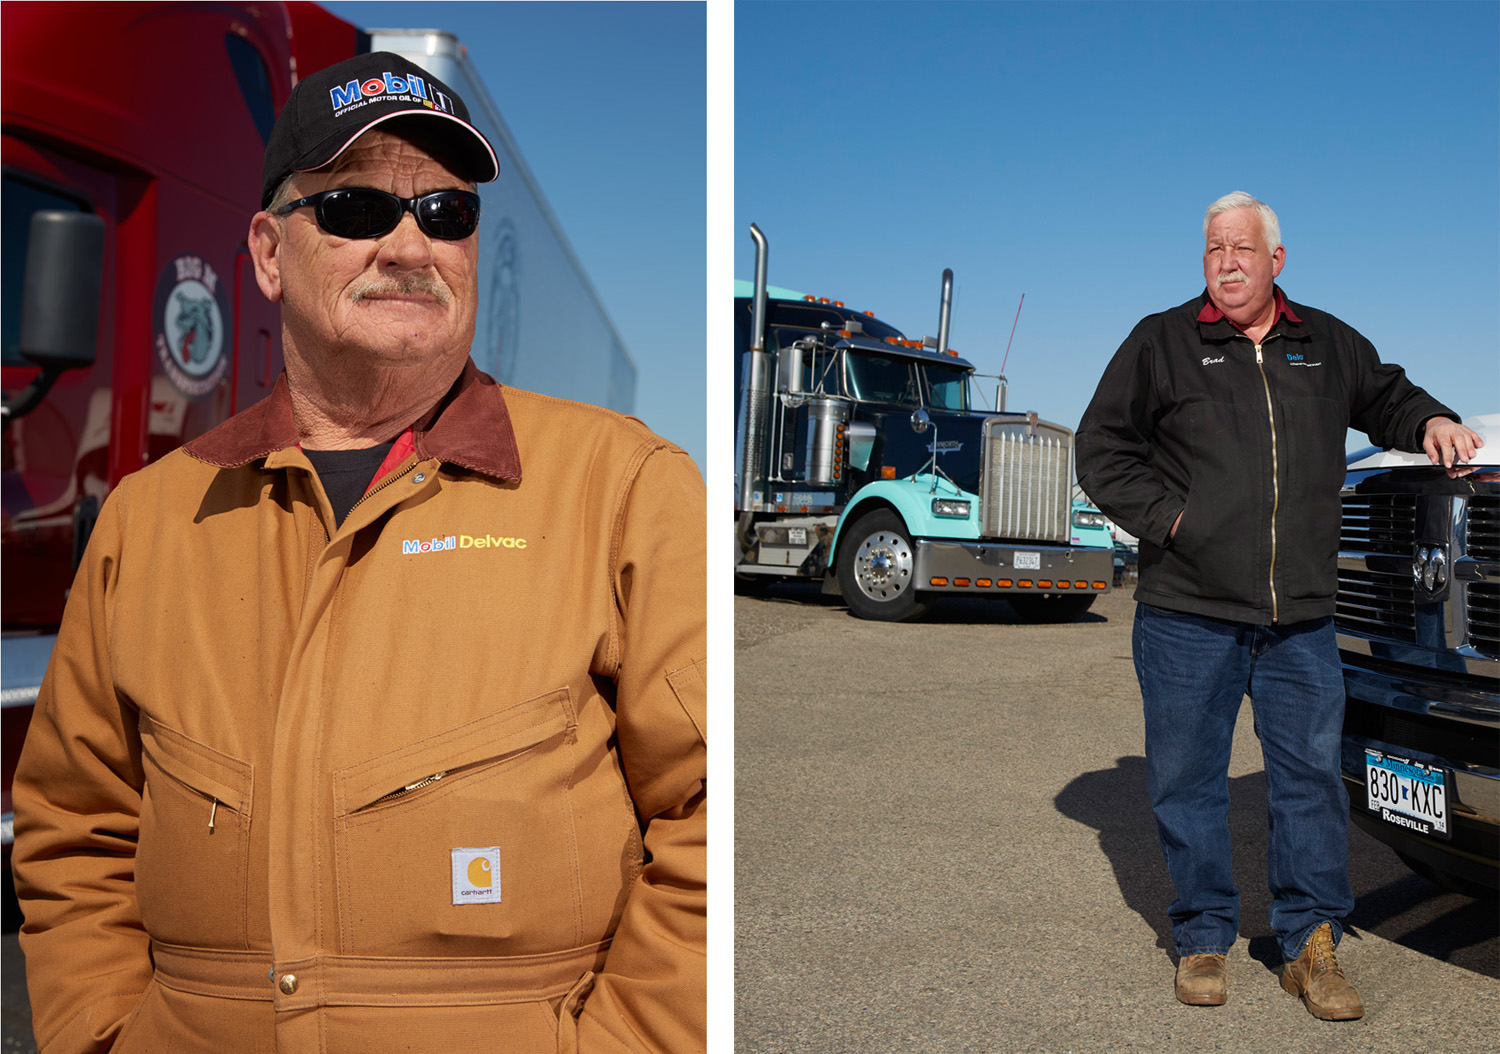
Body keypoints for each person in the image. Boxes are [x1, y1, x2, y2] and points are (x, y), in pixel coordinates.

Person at [12, 52, 706, 1054]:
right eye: (353, 209)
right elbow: (73, 827)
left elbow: (708, 820)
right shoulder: (147, 522)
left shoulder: (623, 488)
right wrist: (106, 1035)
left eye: (445, 212)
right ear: (266, 250)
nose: (409, 243)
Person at [1074, 191, 1481, 1021]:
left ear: (1276, 261)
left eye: (1241, 249)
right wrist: (1172, 522)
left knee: (1306, 783)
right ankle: (1201, 934)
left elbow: (1388, 396)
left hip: (1300, 617)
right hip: (1187, 611)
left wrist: (1433, 416)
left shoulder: (1323, 344)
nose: (1225, 262)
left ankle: (1309, 943)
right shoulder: (1162, 342)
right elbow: (1101, 448)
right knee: (1188, 782)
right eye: (1213, 249)